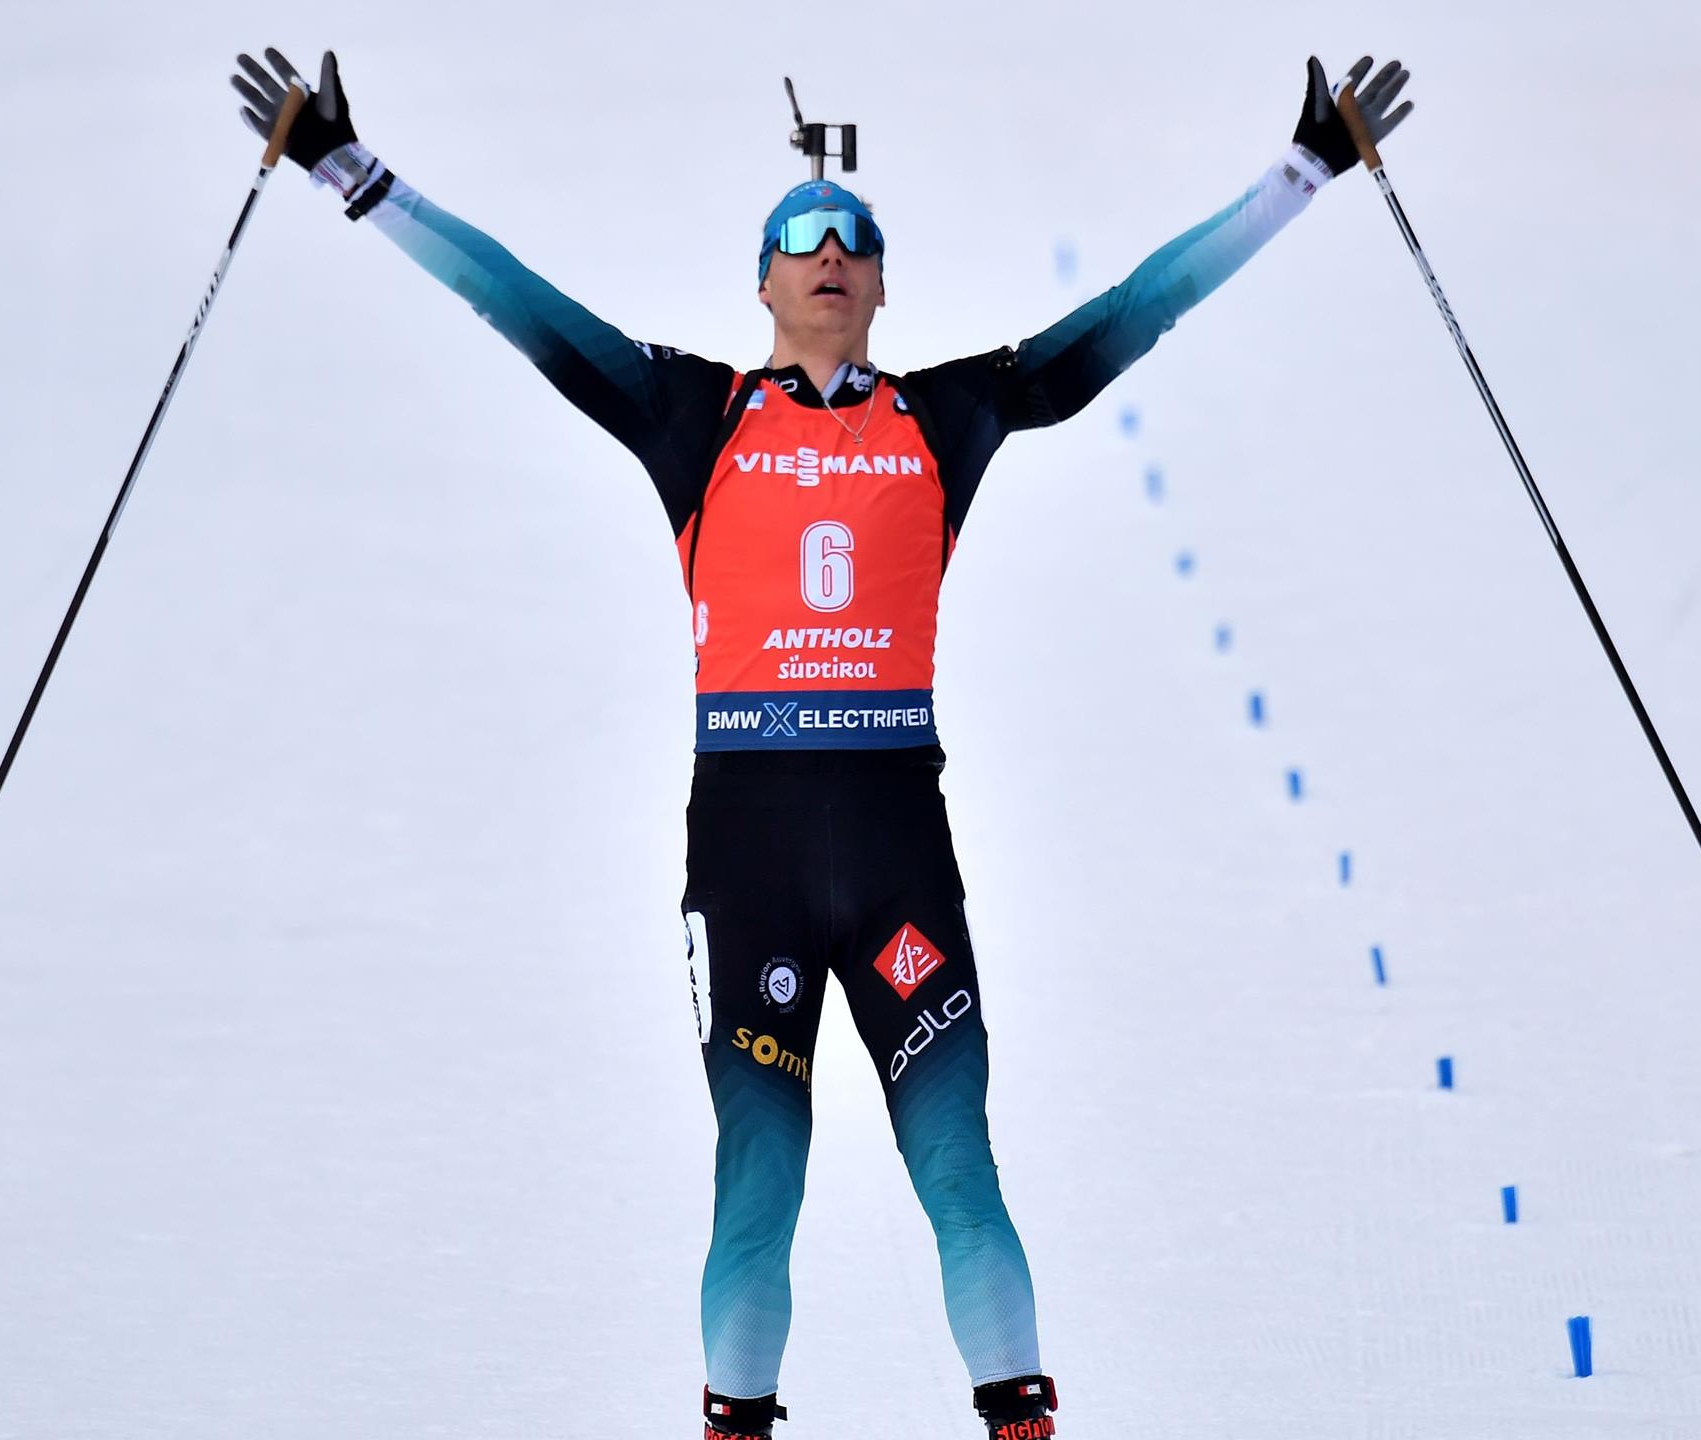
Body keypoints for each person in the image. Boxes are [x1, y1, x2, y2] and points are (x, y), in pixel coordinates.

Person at [229, 48, 1414, 1439]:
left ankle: (1021, 1421)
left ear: (884, 285)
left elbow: (1121, 324)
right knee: (760, 1184)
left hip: (901, 854)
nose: (831, 253)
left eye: (857, 242)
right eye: (801, 241)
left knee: (959, 1172)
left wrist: (1301, 175)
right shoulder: (696, 415)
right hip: (753, 862)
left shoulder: (945, 417)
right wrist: (354, 176)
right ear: (765, 285)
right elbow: (528, 313)